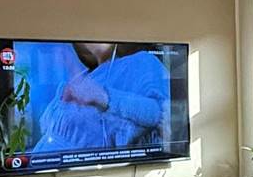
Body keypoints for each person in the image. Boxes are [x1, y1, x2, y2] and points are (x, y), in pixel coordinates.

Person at [29, 41, 169, 158]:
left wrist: (104, 97)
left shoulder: (142, 62)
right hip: (43, 169)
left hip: (84, 174)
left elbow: (158, 114)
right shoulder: (84, 76)